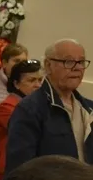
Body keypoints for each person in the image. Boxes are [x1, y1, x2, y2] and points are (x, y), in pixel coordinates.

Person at [6, 39, 93, 173]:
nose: (77, 68)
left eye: (81, 62)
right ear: (48, 65)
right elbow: (19, 170)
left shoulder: (89, 108)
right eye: (68, 62)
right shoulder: (30, 109)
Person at [0, 59, 43, 180]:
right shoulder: (8, 106)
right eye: (31, 80)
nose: (37, 85)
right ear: (16, 84)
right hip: (5, 172)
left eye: (39, 80)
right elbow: (29, 132)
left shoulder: (37, 106)